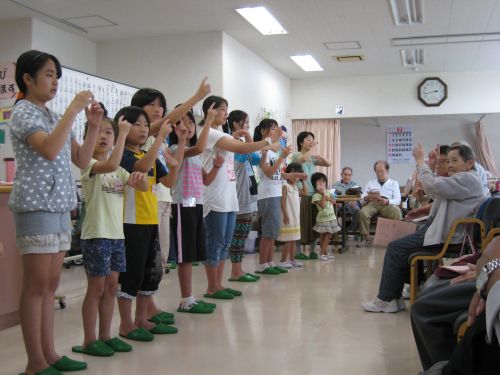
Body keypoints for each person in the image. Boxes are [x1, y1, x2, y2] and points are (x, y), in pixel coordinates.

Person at [10, 50, 103, 375]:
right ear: (27, 78)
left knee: (49, 286)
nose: (55, 81)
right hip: (36, 206)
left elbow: (81, 159)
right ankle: (34, 362)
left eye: (56, 75)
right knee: (36, 286)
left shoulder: (52, 115)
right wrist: (74, 110)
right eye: (49, 74)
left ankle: (49, 354)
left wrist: (91, 126)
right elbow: (49, 150)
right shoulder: (23, 112)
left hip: (61, 206)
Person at [361, 143, 487, 313]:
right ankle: (397, 295)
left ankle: (386, 299)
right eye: (447, 161)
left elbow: (434, 187)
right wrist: (430, 169)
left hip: (449, 237)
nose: (449, 165)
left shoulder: (468, 178)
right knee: (400, 240)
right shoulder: (465, 178)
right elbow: (439, 195)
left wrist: (421, 161)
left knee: (396, 248)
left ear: (469, 163)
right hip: (441, 229)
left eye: (454, 160)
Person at [72, 112, 149, 357]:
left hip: (117, 236)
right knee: (96, 288)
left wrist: (140, 179)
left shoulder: (118, 172)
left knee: (111, 286)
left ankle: (106, 336)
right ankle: (89, 340)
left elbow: (142, 186)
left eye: (109, 132)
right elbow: (112, 164)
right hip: (96, 235)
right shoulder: (90, 166)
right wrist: (123, 135)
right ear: (87, 137)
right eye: (99, 132)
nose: (104, 137)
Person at [116, 106, 180, 341]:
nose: (143, 129)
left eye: (145, 125)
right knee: (131, 274)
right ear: (122, 126)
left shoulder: (147, 154)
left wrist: (175, 160)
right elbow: (140, 169)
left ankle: (141, 319)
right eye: (137, 124)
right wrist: (160, 138)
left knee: (150, 273)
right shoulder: (122, 154)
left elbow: (168, 182)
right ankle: (126, 324)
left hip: (150, 219)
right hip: (131, 222)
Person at [200, 96, 272, 299]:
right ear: (210, 111)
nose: (226, 113)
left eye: (226, 109)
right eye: (222, 109)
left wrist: (237, 136)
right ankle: (211, 287)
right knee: (215, 242)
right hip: (215, 196)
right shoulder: (211, 133)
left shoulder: (222, 133)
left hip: (230, 196)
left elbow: (236, 150)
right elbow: (241, 148)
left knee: (225, 242)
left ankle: (219, 285)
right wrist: (267, 141)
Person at [169, 105, 220, 313]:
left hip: (195, 205)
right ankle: (186, 299)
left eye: (190, 122)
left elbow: (206, 180)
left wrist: (216, 166)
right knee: (185, 256)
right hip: (182, 205)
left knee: (191, 254)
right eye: (181, 122)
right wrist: (208, 120)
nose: (187, 126)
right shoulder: (175, 150)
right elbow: (198, 148)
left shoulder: (196, 155)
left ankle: (189, 298)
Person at [226, 110, 263, 282]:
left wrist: (248, 137)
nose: (248, 126)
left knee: (242, 235)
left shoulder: (241, 144)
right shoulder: (232, 144)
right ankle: (235, 271)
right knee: (238, 237)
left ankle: (238, 270)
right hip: (239, 194)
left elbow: (256, 158)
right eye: (245, 122)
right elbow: (252, 153)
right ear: (235, 124)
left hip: (248, 194)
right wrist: (248, 139)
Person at [254, 119, 292, 275]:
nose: (277, 131)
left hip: (274, 193)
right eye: (273, 128)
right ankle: (263, 264)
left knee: (273, 231)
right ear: (264, 131)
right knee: (268, 231)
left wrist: (292, 174)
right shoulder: (262, 150)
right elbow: (268, 173)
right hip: (267, 194)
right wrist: (282, 157)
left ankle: (269, 262)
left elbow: (276, 174)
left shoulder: (273, 151)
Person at [291, 131, 332, 259]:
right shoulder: (296, 155)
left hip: (314, 194)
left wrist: (320, 156)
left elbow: (328, 163)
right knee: (301, 223)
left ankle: (314, 250)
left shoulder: (312, 157)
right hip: (301, 193)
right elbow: (303, 159)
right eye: (308, 139)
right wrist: (313, 148)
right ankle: (298, 252)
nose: (311, 141)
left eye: (312, 140)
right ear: (301, 142)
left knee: (315, 222)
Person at [357, 160, 402, 247]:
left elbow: (398, 200)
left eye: (382, 171)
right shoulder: (370, 183)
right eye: (377, 172)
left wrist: (388, 201)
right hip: (373, 203)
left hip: (387, 204)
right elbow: (362, 198)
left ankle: (396, 238)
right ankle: (366, 238)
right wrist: (367, 198)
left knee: (396, 211)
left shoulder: (394, 183)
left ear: (387, 171)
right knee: (362, 212)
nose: (379, 174)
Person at [277, 163, 307, 268]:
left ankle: (292, 260)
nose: (295, 177)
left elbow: (305, 192)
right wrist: (285, 215)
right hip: (288, 217)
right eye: (293, 173)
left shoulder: (295, 187)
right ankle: (282, 261)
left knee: (293, 240)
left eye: (298, 175)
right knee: (288, 240)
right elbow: (283, 202)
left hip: (295, 217)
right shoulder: (285, 186)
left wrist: (303, 181)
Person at [311, 172, 341, 261]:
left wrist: (329, 197)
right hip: (323, 219)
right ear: (314, 184)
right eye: (319, 181)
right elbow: (323, 205)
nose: (322, 183)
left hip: (331, 217)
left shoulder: (328, 192)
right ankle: (321, 253)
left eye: (323, 181)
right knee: (326, 235)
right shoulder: (316, 196)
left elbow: (334, 201)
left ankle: (324, 252)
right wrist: (323, 195)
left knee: (327, 235)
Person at [332, 166, 361, 232]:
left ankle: (350, 229)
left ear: (351, 176)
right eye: (345, 174)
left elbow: (359, 195)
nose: (347, 177)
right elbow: (333, 196)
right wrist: (336, 202)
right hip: (339, 204)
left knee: (358, 210)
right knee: (332, 211)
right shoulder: (335, 185)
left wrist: (355, 200)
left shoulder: (355, 184)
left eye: (349, 175)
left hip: (350, 204)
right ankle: (339, 229)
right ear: (341, 174)